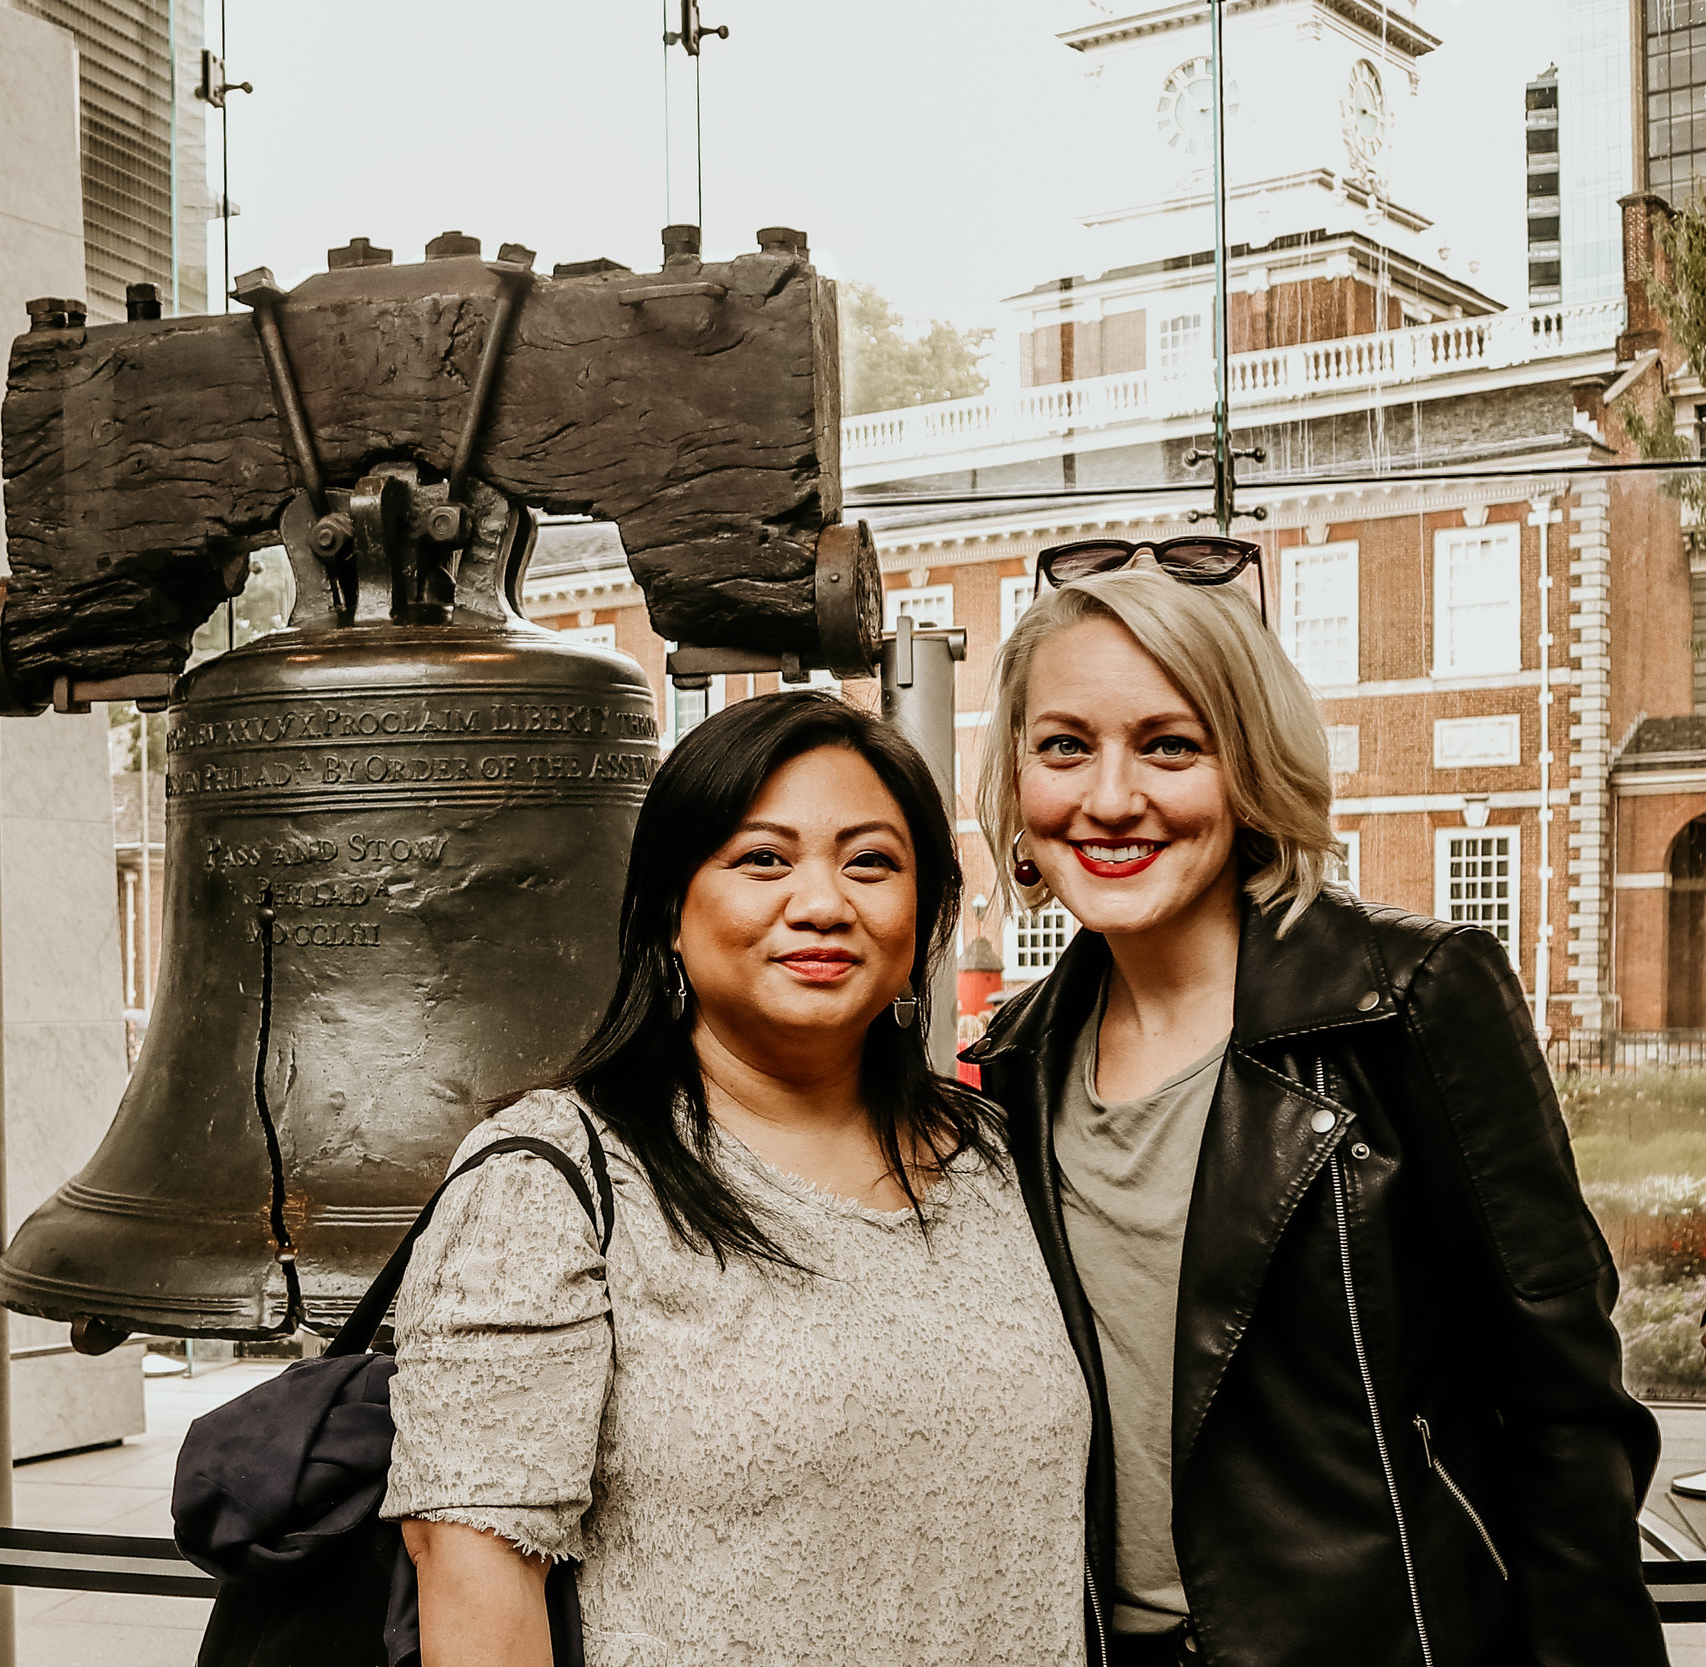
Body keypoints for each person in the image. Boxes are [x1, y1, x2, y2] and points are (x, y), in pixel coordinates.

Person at [966, 550, 1664, 1667]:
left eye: (1169, 744)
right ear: (1014, 781)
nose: (1108, 797)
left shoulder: (1410, 998)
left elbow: (1566, 1406)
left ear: (1247, 771)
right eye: (1063, 745)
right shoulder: (1014, 1060)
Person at [380, 691, 1091, 1667]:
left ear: (925, 916)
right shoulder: (549, 1182)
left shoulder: (1001, 1158)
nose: (821, 902)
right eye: (762, 856)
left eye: (870, 860)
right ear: (669, 908)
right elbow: (473, 1580)